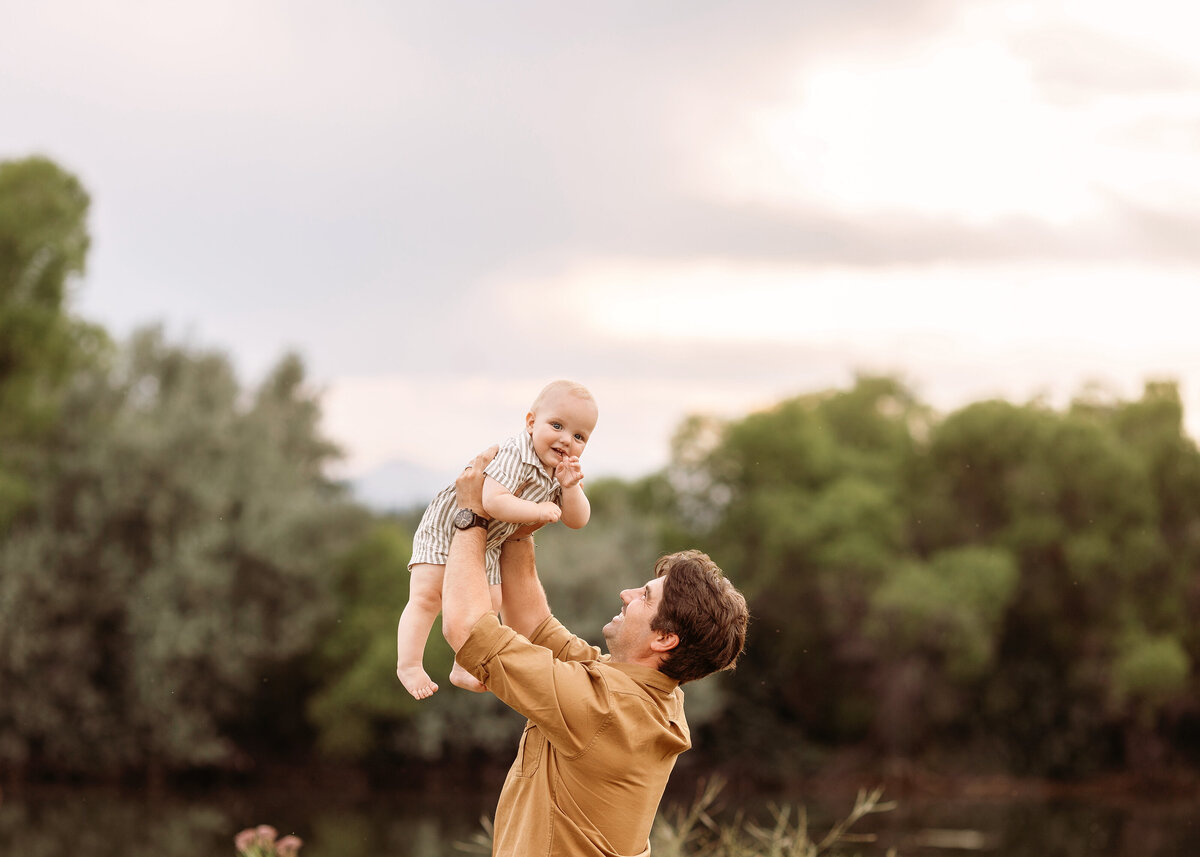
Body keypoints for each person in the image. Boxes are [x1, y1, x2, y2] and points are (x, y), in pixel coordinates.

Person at [442, 447, 749, 857]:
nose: (625, 594)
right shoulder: (645, 695)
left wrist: (470, 516)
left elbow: (466, 629)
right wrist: (521, 521)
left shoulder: (606, 709)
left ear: (664, 640)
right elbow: (534, 625)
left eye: (644, 596)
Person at [396, 380, 599, 699]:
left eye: (578, 436)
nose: (565, 439)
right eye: (557, 425)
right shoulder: (516, 453)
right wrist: (536, 508)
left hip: (488, 541)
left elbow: (577, 520)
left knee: (490, 604)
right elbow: (492, 501)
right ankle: (408, 665)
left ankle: (465, 663)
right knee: (427, 597)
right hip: (449, 525)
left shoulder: (560, 471)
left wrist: (571, 488)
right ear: (532, 422)